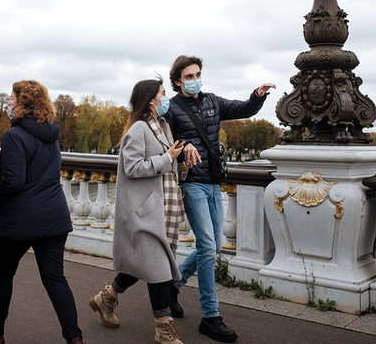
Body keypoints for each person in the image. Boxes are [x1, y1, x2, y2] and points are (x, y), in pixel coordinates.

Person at [164, 55, 275, 343]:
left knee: (211, 248)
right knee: (208, 244)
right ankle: (210, 317)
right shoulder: (172, 109)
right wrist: (185, 144)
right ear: (177, 81)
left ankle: (174, 284)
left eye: (198, 74)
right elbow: (166, 143)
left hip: (214, 181)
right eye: (189, 76)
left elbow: (244, 109)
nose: (195, 80)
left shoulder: (212, 101)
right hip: (192, 183)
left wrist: (257, 96)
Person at [89, 78, 190, 344]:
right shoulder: (138, 130)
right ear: (150, 100)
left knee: (142, 264)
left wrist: (179, 163)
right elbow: (133, 168)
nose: (167, 98)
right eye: (163, 94)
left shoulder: (162, 126)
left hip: (160, 207)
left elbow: (164, 164)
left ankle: (106, 298)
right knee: (158, 270)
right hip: (143, 212)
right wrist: (167, 158)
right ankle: (163, 329)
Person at [0, 80, 84, 344]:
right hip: (53, 217)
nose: (8, 102)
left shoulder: (14, 136)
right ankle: (74, 338)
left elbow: (13, 182)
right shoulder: (51, 135)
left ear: (22, 103)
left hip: (19, 220)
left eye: (12, 98)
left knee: (3, 275)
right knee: (55, 279)